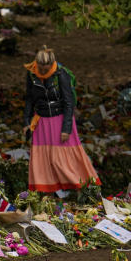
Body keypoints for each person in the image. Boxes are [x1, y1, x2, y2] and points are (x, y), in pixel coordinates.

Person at [22, 47, 100, 195]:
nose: (43, 72)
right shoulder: (31, 74)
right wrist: (27, 122)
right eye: (41, 69)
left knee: (63, 160)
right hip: (41, 121)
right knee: (43, 160)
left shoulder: (60, 74)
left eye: (46, 69)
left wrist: (66, 128)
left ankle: (83, 189)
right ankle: (46, 193)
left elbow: (69, 103)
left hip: (60, 119)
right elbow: (29, 99)